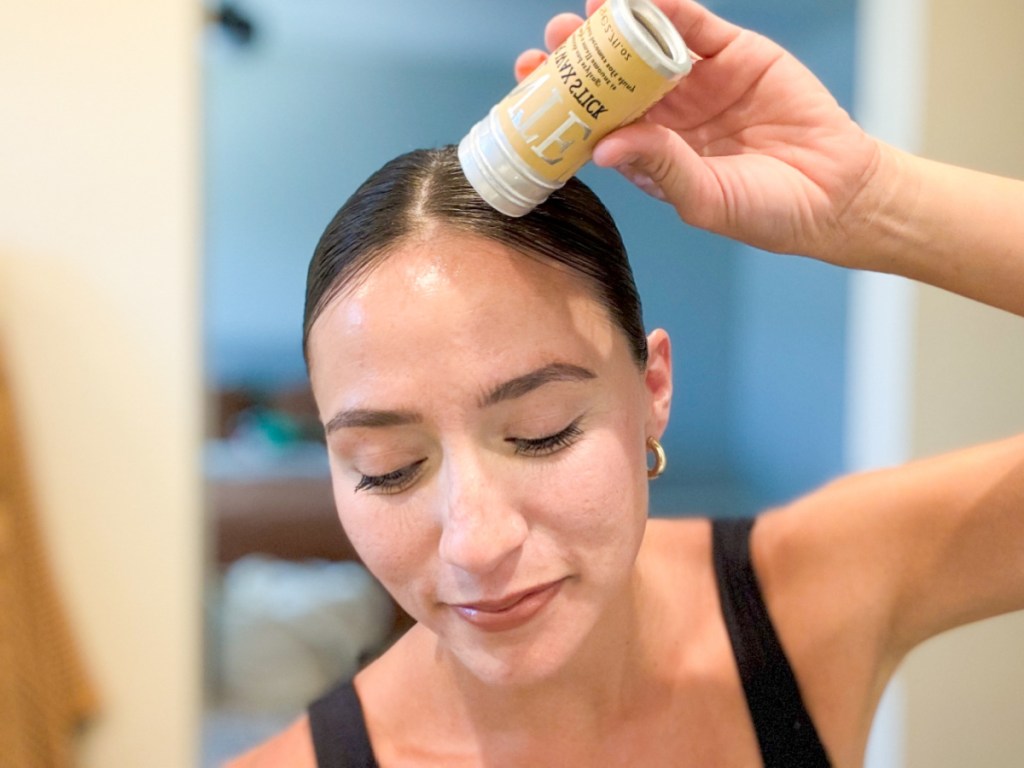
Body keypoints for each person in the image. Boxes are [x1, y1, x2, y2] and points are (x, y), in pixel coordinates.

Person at [231, 1, 1024, 765]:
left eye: (542, 432)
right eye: (387, 468)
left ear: (653, 390)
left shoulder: (807, 600)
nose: (475, 544)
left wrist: (874, 200)